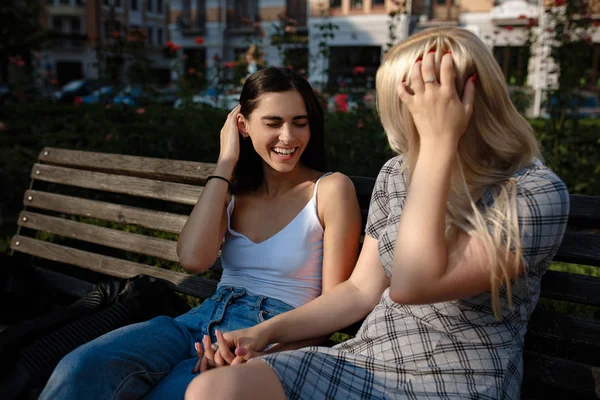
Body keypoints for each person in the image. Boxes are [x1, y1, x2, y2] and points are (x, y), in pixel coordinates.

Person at [185, 27, 570, 400]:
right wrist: (264, 333)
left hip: (459, 378)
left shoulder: (535, 193)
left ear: (463, 98)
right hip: (367, 361)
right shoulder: (398, 173)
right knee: (214, 389)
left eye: (412, 99)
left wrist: (439, 142)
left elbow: (412, 284)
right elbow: (357, 291)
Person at [39, 67, 362, 400]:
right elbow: (193, 260)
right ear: (244, 126)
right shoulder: (235, 192)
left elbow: (329, 312)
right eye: (273, 122)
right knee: (79, 368)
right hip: (196, 321)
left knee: (171, 394)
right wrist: (225, 162)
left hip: (269, 334)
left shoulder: (330, 189)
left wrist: (264, 357)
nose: (289, 137)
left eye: (300, 122)